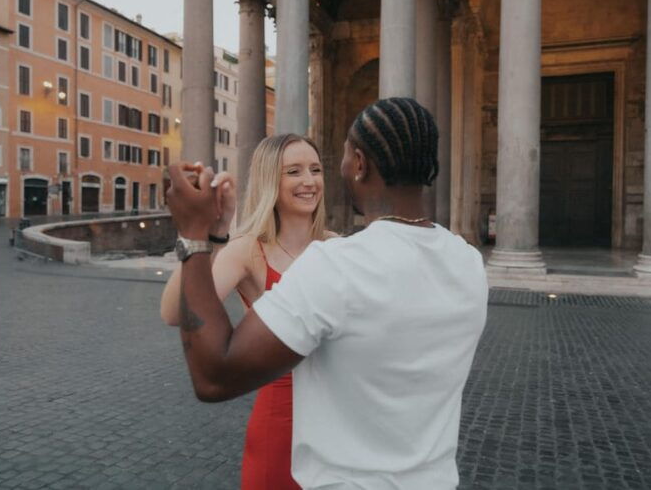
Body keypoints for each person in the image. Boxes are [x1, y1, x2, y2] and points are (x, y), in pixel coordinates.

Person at [166, 97, 488, 489]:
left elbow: (213, 377)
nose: (317, 177)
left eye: (326, 164)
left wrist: (194, 232)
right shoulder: (469, 263)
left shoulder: (337, 264)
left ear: (360, 163)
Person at [161, 134, 334, 489]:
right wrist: (210, 235)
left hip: (337, 420)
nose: (309, 181)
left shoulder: (340, 247)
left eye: (315, 170)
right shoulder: (249, 250)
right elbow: (172, 313)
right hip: (280, 423)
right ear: (271, 179)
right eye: (294, 171)